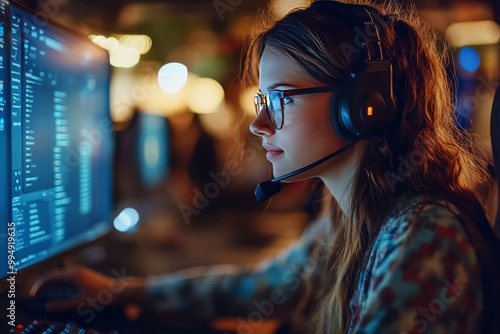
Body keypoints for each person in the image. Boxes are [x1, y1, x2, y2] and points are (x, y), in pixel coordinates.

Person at [30, 0, 500, 333]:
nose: (258, 123)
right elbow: (263, 285)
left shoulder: (424, 234)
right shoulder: (353, 215)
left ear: (364, 106)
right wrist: (121, 291)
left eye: (280, 99)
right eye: (262, 99)